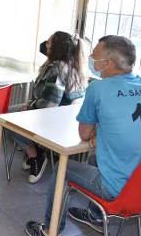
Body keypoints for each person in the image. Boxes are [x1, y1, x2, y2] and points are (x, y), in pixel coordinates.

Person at [25, 35, 141, 236]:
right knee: (94, 158)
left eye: (95, 55)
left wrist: (97, 131)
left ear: (108, 63)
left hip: (121, 189)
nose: (90, 58)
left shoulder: (99, 89)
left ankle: (50, 233)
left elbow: (84, 133)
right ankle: (95, 216)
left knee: (64, 169)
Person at [12, 31, 86, 184]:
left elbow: (49, 105)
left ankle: (35, 157)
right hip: (71, 123)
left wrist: (29, 106)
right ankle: (38, 150)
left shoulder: (56, 69)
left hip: (55, 123)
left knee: (10, 120)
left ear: (56, 48)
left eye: (49, 42)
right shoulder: (75, 67)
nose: (45, 44)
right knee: (20, 112)